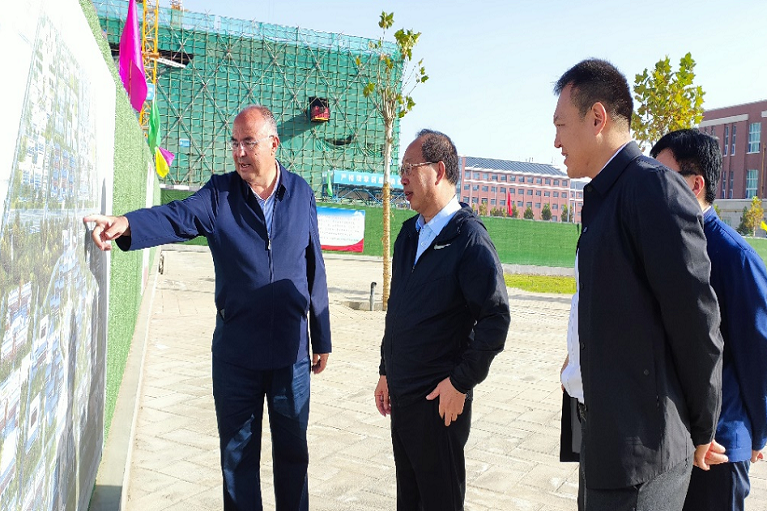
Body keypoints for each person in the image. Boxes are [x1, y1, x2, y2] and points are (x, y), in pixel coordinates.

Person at [83, 105, 331, 511]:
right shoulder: (220, 195)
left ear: (274, 144)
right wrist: (127, 224)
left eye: (248, 143)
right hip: (237, 357)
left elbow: (313, 265)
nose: (239, 152)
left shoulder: (301, 193)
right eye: (234, 143)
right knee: (237, 459)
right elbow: (176, 216)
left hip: (292, 356)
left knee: (293, 456)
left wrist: (321, 336)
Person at [552, 59, 724, 511]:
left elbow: (697, 321)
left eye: (561, 125)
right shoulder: (603, 197)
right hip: (603, 437)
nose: (556, 141)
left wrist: (704, 428)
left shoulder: (654, 190)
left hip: (642, 453)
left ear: (597, 118)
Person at [374, 129, 511, 511]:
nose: (401, 178)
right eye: (400, 169)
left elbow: (495, 318)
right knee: (410, 501)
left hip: (439, 403)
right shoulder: (408, 235)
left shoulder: (469, 240)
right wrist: (386, 370)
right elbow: (398, 310)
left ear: (438, 170)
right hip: (403, 400)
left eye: (409, 168)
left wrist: (460, 383)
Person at [650, 128, 767, 511]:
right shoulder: (663, 247)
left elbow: (758, 353)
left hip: (719, 445)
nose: (652, 188)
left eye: (662, 178)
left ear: (696, 184)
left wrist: (757, 433)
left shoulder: (735, 257)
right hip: (669, 441)